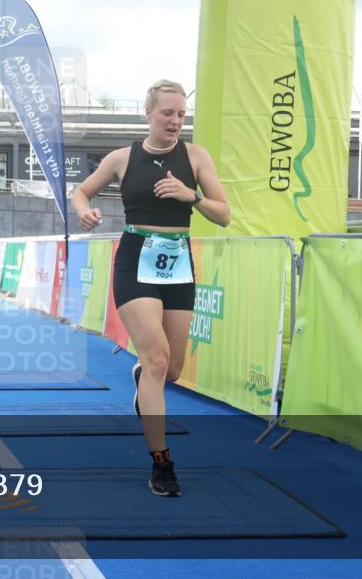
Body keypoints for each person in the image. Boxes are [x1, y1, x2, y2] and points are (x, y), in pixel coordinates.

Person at [72, 79, 231, 497]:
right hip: (135, 259)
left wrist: (190, 196)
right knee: (159, 359)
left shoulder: (196, 158)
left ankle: (144, 375)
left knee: (171, 371)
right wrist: (84, 211)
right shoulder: (123, 158)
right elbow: (81, 191)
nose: (176, 121)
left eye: (181, 114)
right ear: (148, 113)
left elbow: (225, 215)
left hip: (178, 263)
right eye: (168, 113)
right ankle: (162, 463)